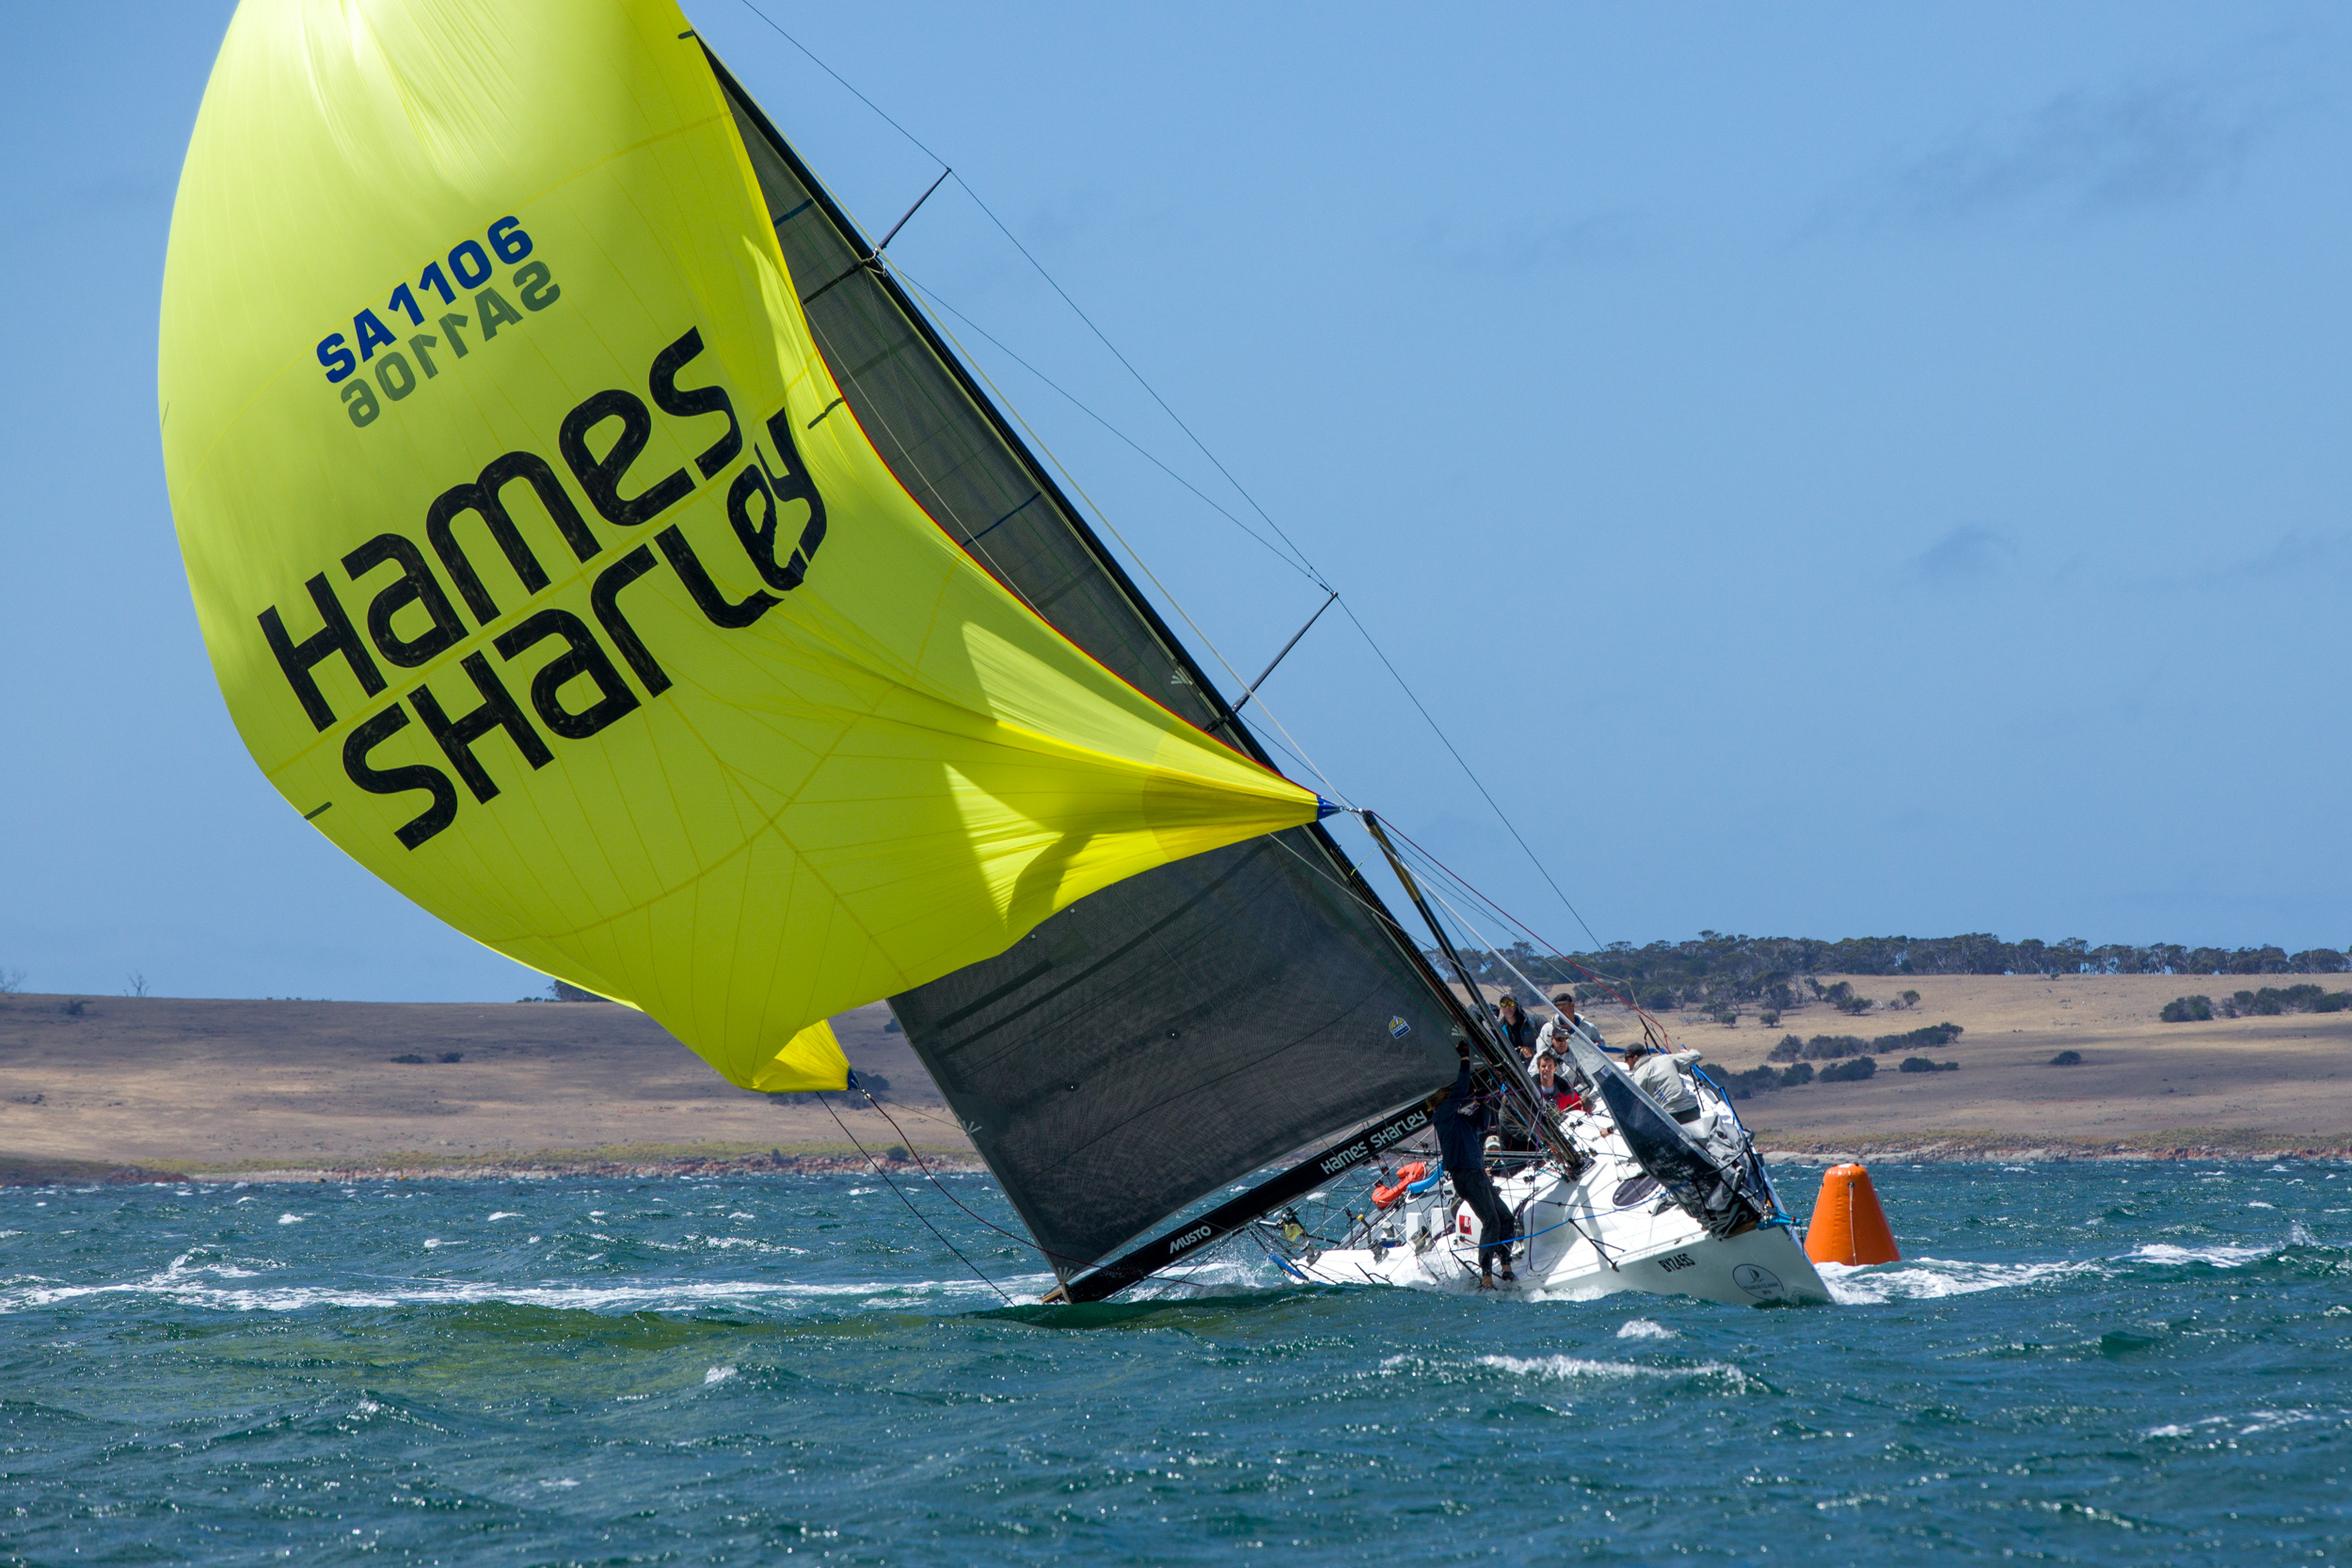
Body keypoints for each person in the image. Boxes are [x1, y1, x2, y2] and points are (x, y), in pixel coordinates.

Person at [1433, 1039, 1518, 1286]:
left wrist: (1485, 1101)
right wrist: (1465, 1060)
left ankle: (1505, 1263)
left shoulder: (1460, 1120)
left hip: (1478, 1175)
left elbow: (1481, 1124)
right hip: (1466, 1177)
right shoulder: (1443, 1116)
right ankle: (1486, 1276)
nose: (1458, 1098)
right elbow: (1460, 1089)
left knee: (1506, 1218)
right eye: (1452, 1097)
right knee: (1490, 1221)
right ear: (1444, 1099)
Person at [1623, 1038, 1706, 1124]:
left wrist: (1611, 1129)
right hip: (1692, 1107)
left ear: (1635, 1058)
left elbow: (1630, 1108)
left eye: (1626, 1059)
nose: (1625, 1062)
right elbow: (1697, 1055)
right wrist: (1687, 1053)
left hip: (1672, 1114)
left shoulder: (1637, 1077)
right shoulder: (1666, 1059)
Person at [1495, 993, 1535, 1064]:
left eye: (1510, 1003)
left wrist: (1532, 1050)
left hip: (1534, 1064)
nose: (1507, 1007)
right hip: (1515, 1068)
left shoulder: (1531, 1020)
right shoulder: (1500, 1028)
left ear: (1516, 1004)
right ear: (1500, 1008)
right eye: (1504, 1004)